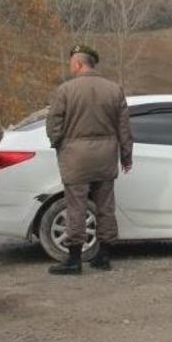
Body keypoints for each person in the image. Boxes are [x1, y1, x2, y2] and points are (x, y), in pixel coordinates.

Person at [46, 46, 133, 275]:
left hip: (75, 156)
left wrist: (59, 145)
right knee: (106, 206)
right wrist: (126, 156)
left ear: (77, 64)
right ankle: (104, 256)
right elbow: (124, 127)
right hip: (106, 156)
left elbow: (53, 124)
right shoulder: (115, 90)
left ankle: (74, 259)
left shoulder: (65, 90)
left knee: (76, 206)